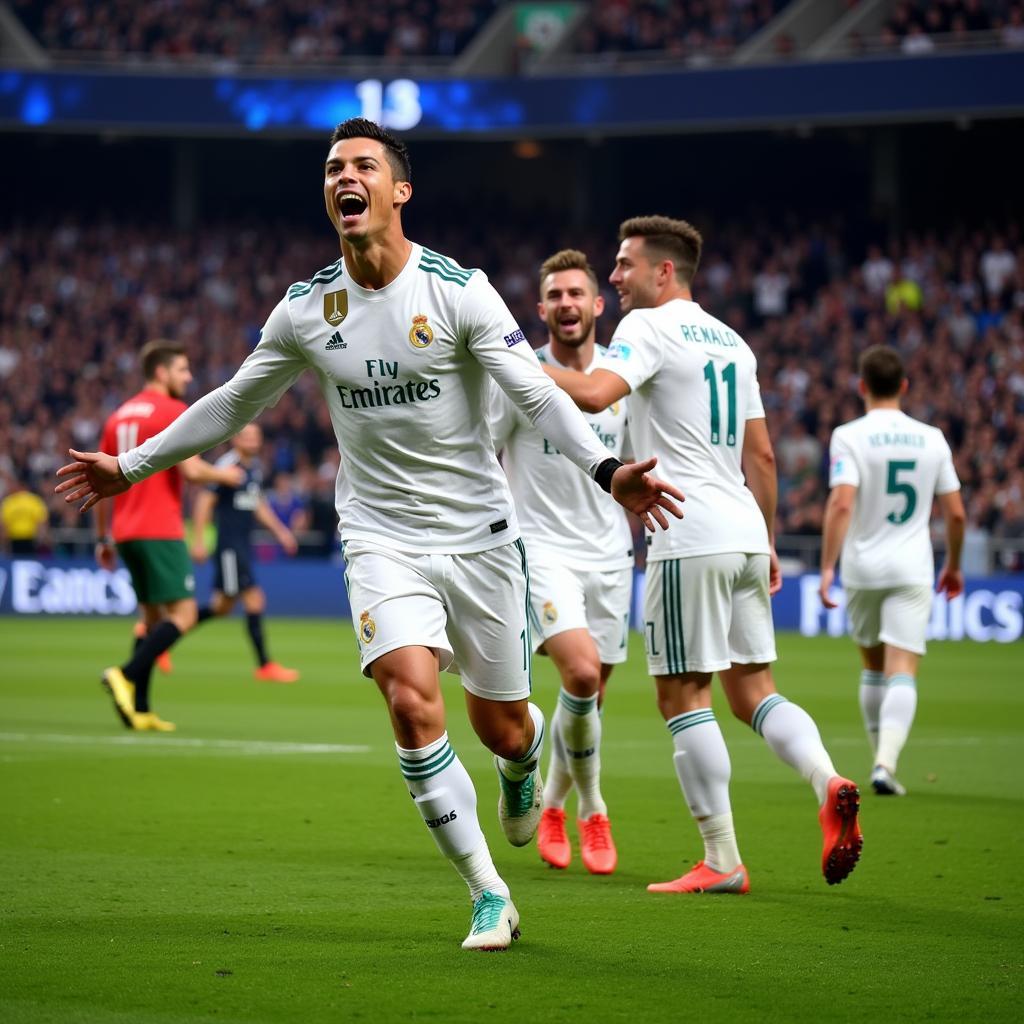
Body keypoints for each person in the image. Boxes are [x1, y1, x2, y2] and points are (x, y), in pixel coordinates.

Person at [57, 118, 684, 951]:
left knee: (501, 725)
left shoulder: (458, 290)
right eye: (330, 169)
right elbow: (233, 401)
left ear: (400, 190)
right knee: (408, 697)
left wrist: (609, 472)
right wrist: (130, 467)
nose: (341, 178)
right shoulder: (307, 309)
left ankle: (522, 762)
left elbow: (535, 396)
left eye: (360, 166)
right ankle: (486, 892)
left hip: (484, 539)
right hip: (379, 537)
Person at [541, 215, 863, 893]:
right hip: (744, 528)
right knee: (754, 693)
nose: (616, 277)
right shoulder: (734, 343)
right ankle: (825, 778)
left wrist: (509, 356)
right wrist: (768, 542)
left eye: (625, 265)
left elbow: (597, 391)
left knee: (681, 696)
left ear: (664, 271)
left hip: (686, 535)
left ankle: (721, 859)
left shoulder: (646, 328)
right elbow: (764, 456)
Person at [489, 249, 630, 876]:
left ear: (598, 305)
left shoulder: (624, 379)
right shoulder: (517, 376)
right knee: (580, 674)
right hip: (541, 549)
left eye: (578, 293)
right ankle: (594, 810)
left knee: (592, 700)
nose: (567, 304)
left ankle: (551, 804)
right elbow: (483, 456)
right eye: (556, 296)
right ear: (541, 309)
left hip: (611, 554)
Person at [819, 345, 965, 797]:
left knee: (873, 666)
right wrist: (954, 566)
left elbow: (842, 502)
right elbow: (956, 515)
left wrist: (827, 567)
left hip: (863, 568)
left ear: (862, 386)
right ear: (903, 386)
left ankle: (877, 755)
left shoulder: (848, 435)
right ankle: (885, 763)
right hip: (912, 567)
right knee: (904, 667)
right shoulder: (932, 438)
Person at [94, 340, 243, 732]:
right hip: (159, 528)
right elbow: (192, 472)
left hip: (125, 532)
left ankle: (139, 709)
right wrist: (224, 475)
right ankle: (124, 674)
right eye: (182, 369)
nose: (189, 377)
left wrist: (102, 539)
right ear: (161, 372)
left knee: (150, 620)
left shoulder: (118, 416)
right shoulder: (171, 410)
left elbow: (101, 481)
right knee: (185, 614)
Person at [191, 423, 301, 683]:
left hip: (242, 545)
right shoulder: (226, 466)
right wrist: (198, 540)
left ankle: (165, 631)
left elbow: (257, 504)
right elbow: (205, 501)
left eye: (256, 436)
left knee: (221, 607)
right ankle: (264, 665)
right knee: (254, 599)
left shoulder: (254, 468)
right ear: (235, 439)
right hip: (229, 547)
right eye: (247, 436)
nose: (252, 440)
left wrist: (281, 532)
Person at [1, 482, 49, 555]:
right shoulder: (35, 501)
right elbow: (41, 522)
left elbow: (4, 525)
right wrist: (41, 539)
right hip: (30, 537)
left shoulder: (9, 502)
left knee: (15, 560)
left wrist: (4, 542)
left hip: (14, 538)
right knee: (29, 560)